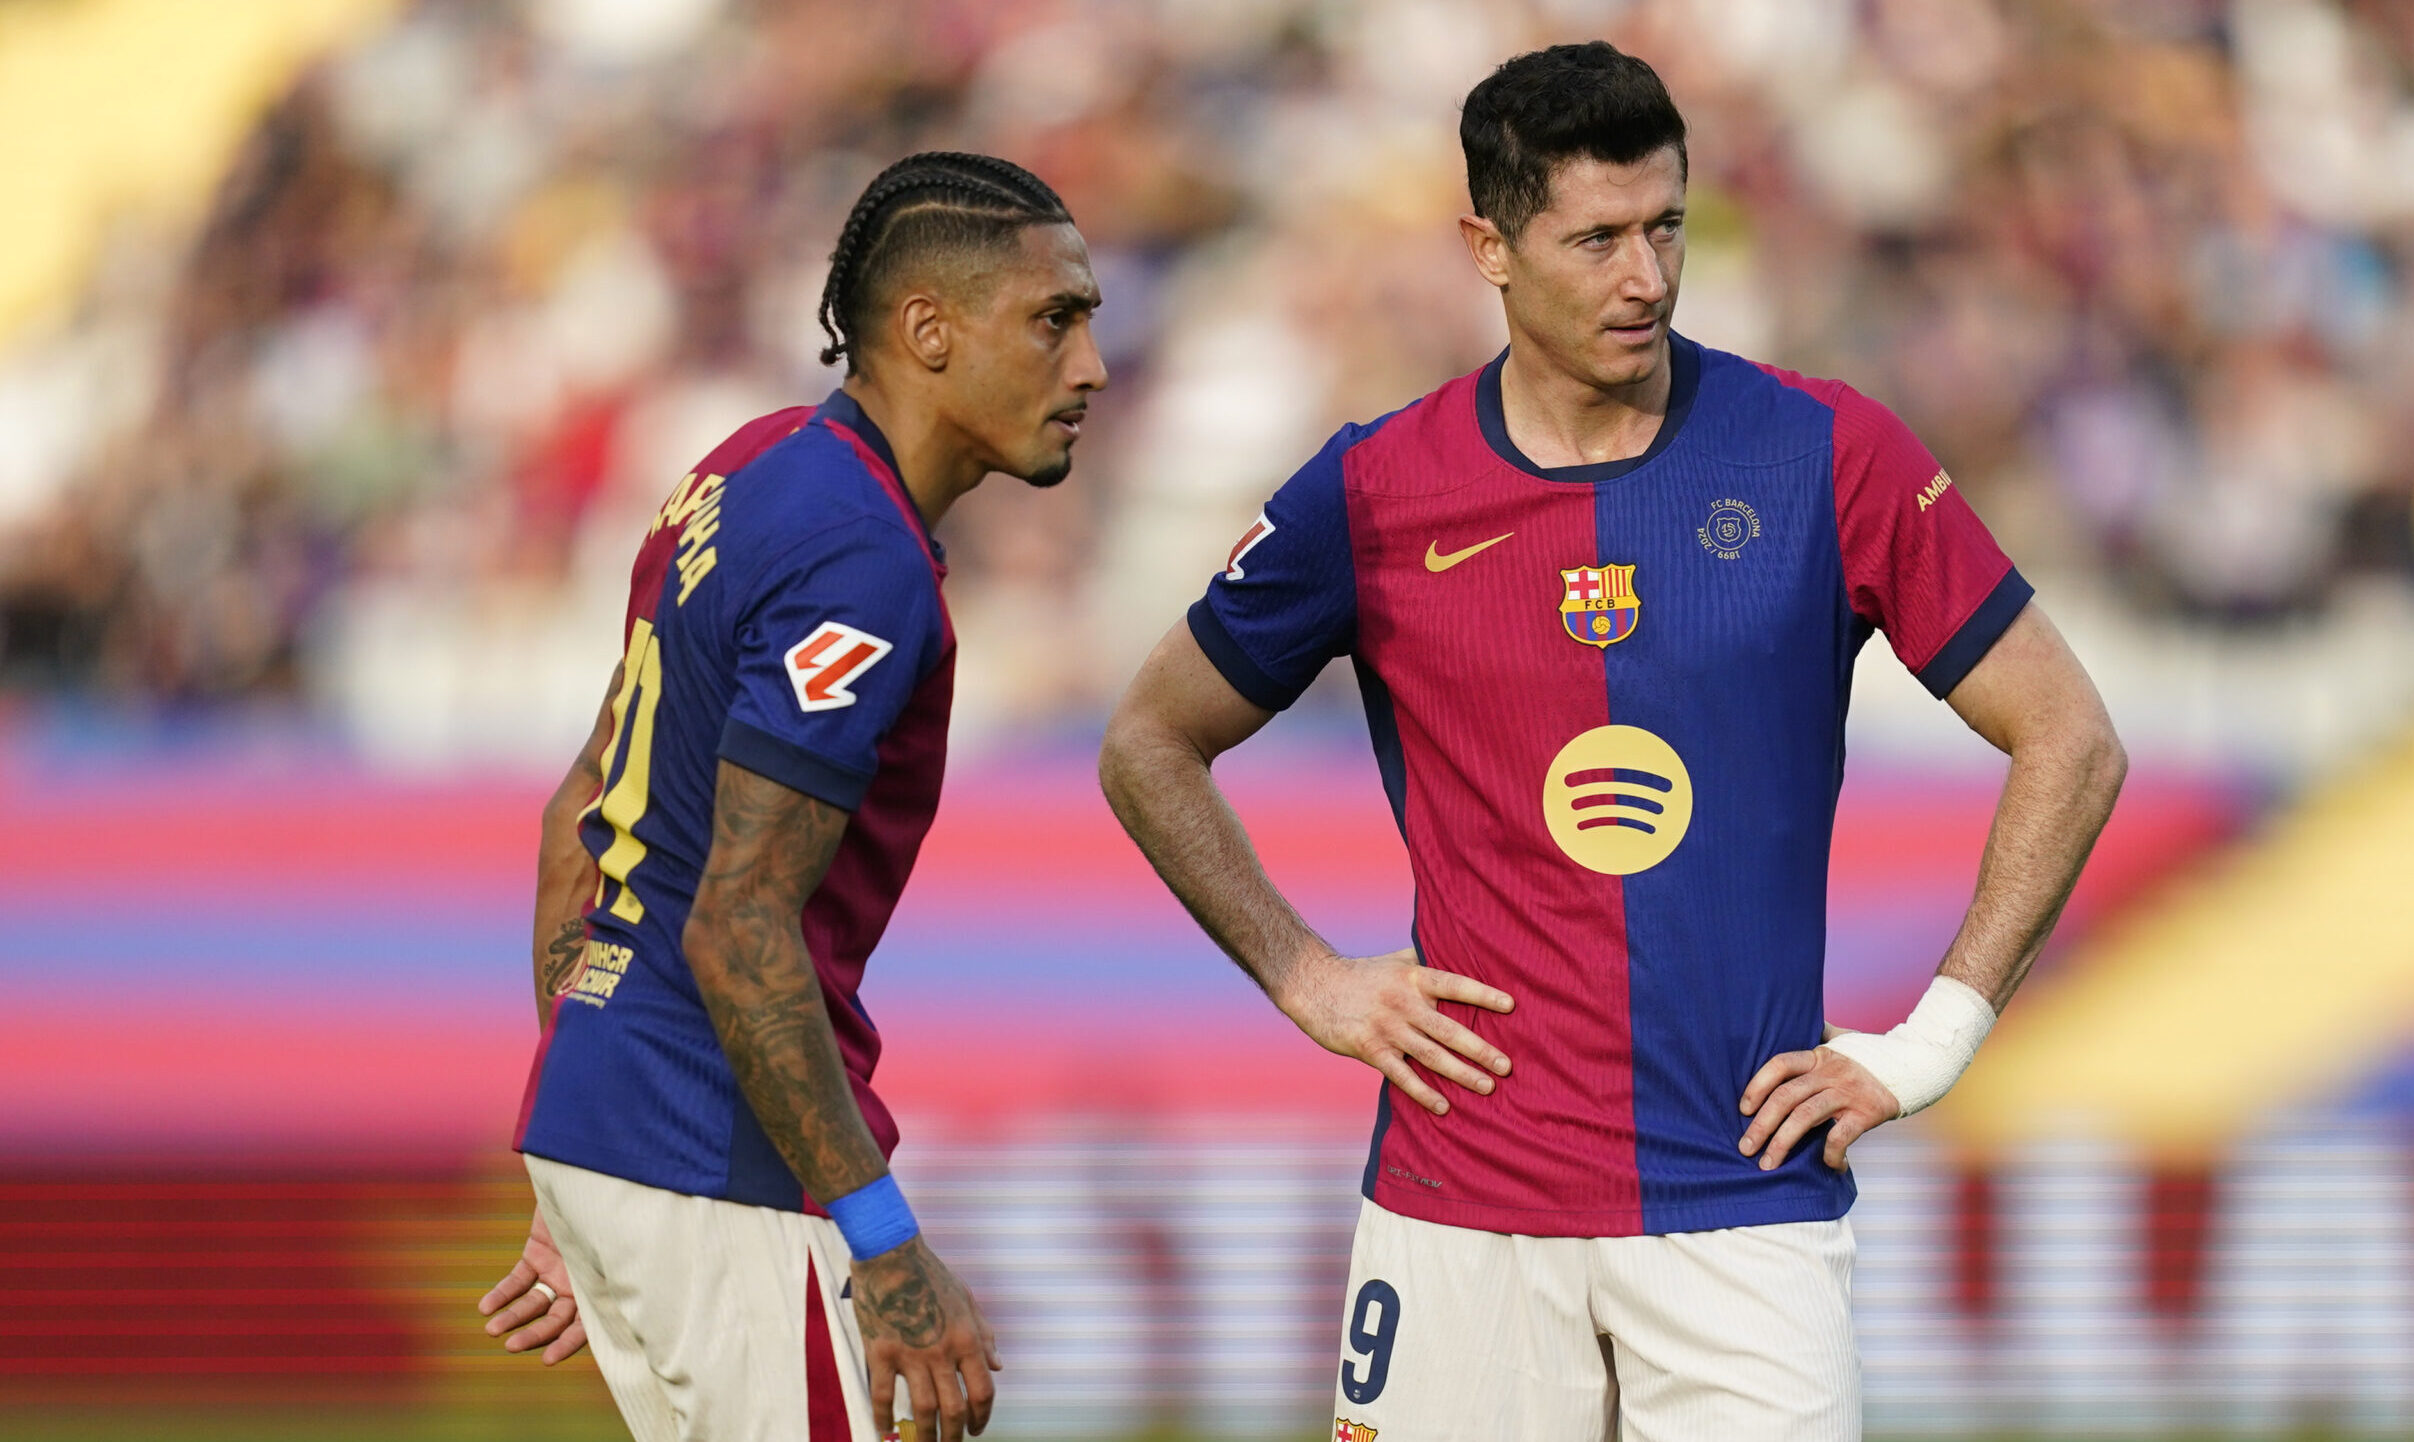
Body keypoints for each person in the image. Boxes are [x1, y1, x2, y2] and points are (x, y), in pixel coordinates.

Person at [1098, 43, 2125, 1442]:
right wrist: (1309, 976)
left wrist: (1937, 1035)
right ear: (1489, 247)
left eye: (1666, 227)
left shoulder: (1824, 454)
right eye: (1595, 238)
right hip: (1461, 1213)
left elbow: (2069, 734)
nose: (1645, 276)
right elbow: (1150, 740)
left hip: (1744, 1207)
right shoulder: (1375, 489)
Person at [476, 151, 1107, 1442]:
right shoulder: (859, 560)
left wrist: (594, 1142)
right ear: (928, 329)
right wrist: (886, 1247)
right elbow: (738, 923)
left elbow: (579, 824)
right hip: (722, 1156)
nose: (1090, 365)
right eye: (1056, 318)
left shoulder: (750, 465)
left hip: (610, 1124)